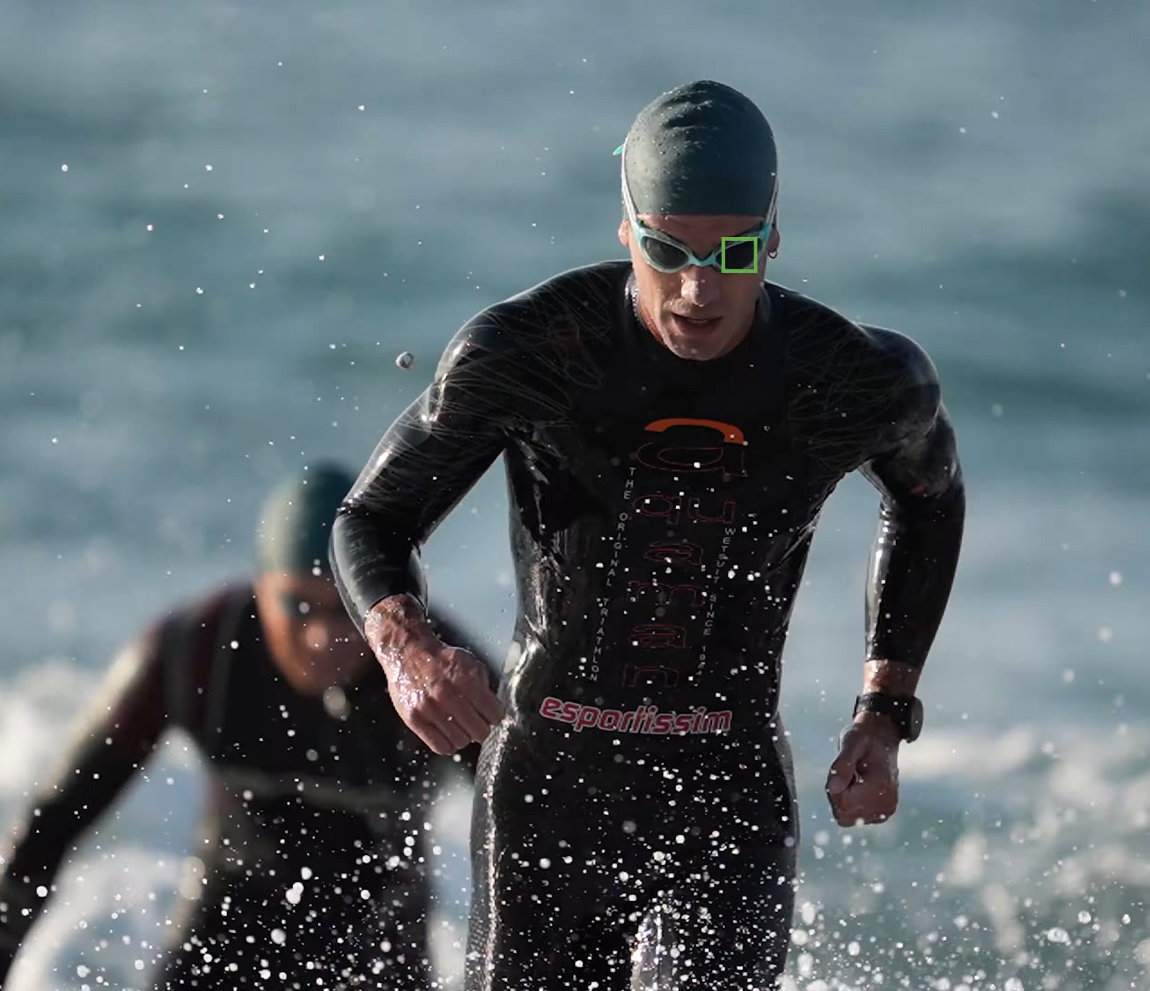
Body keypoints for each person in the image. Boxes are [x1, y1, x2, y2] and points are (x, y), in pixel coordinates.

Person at [329, 79, 968, 991]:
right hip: (550, 792)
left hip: (728, 795)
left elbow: (929, 497)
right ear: (627, 230)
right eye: (669, 251)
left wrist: (884, 707)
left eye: (732, 253)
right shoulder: (532, 353)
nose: (699, 289)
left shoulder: (850, 379)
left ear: (772, 238)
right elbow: (371, 517)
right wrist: (406, 649)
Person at [0, 463, 491, 990]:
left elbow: (531, 824)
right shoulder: (196, 652)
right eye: (299, 606)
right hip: (224, 928)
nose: (323, 636)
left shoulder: (436, 672)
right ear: (260, 589)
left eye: (347, 611)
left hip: (378, 942)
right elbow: (53, 821)